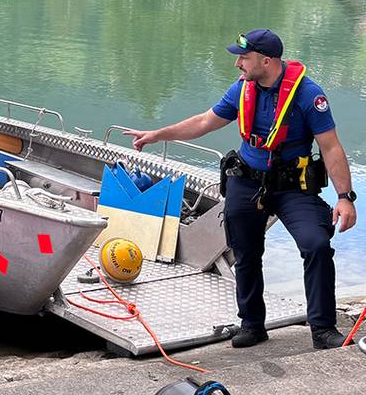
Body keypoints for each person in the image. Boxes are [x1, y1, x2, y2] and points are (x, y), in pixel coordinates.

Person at [124, 30, 357, 350]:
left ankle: (323, 329)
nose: (237, 63)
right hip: (246, 181)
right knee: (246, 252)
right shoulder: (242, 90)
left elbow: (330, 147)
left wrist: (345, 198)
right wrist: (157, 135)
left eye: (243, 58)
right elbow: (204, 122)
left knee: (316, 245)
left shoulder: (308, 95)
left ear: (266, 61)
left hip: (292, 187)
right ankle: (252, 324)